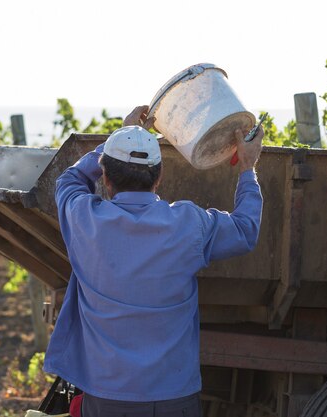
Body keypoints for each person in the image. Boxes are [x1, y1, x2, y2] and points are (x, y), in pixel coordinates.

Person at [44, 105, 264, 417]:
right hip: (175, 398)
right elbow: (245, 229)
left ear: (105, 178)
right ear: (158, 177)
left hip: (106, 396)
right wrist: (247, 167)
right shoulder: (189, 224)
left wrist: (121, 138)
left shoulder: (85, 220)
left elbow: (70, 179)